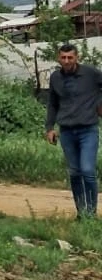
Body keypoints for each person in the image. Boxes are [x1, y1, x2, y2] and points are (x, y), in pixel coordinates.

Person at [44, 42, 102, 218]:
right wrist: (49, 128)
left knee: (87, 170)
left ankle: (90, 214)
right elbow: (52, 104)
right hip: (67, 131)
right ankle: (81, 213)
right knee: (75, 173)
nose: (67, 61)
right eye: (63, 57)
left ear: (77, 57)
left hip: (88, 130)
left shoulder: (90, 73)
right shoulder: (55, 78)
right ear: (58, 58)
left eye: (70, 57)